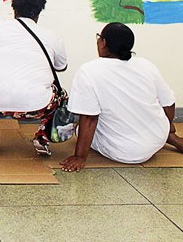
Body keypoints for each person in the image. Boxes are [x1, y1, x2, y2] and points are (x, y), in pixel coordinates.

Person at [60, 23, 183, 171]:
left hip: (125, 152)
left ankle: (162, 136)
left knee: (79, 129)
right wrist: (166, 129)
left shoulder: (89, 71)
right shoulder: (146, 65)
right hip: (157, 139)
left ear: (103, 43)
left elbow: (89, 118)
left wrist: (79, 157)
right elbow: (169, 103)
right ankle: (169, 137)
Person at [0, 0, 68, 155]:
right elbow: (61, 67)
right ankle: (42, 137)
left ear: (13, 7)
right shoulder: (51, 36)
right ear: (39, 11)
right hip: (35, 107)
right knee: (61, 95)